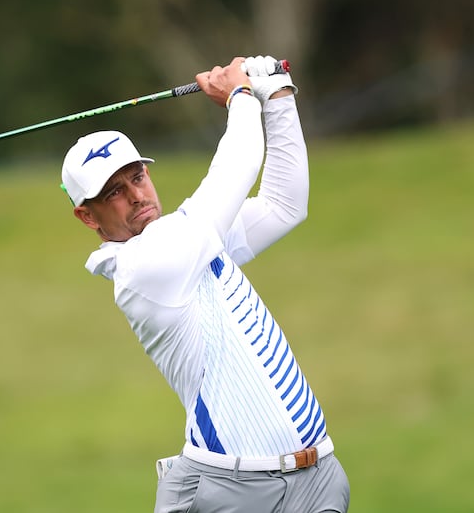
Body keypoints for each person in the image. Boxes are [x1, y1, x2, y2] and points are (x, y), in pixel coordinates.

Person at [61, 55, 350, 513]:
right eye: (114, 192)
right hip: (229, 492)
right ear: (86, 216)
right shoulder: (143, 266)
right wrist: (240, 97)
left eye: (137, 177)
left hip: (316, 482)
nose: (136, 195)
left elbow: (284, 205)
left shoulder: (192, 240)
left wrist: (276, 95)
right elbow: (236, 171)